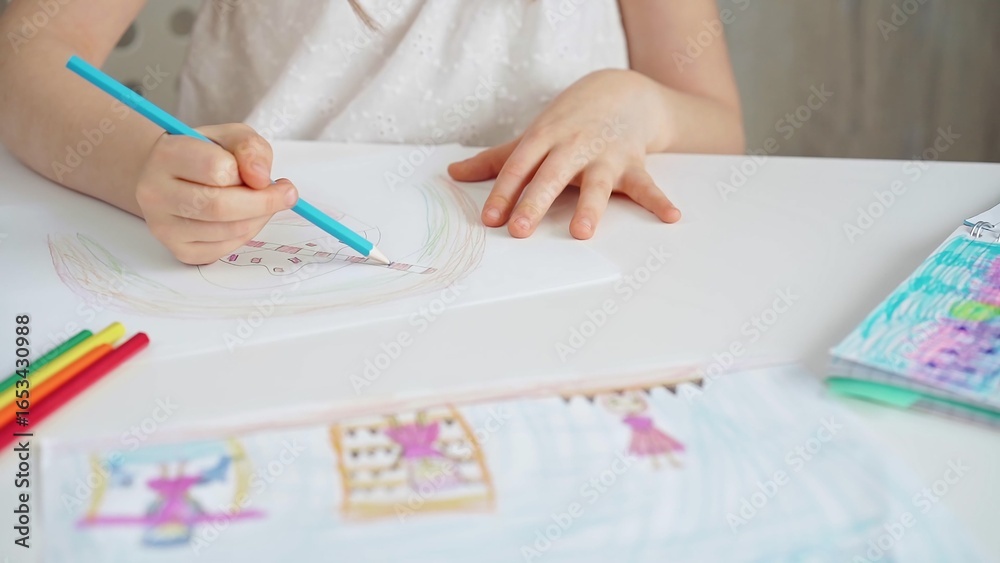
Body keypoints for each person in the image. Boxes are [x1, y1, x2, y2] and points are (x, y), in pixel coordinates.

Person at [0, 0, 744, 265]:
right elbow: (23, 57)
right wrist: (141, 165)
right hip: (257, 273)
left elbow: (718, 125)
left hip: (572, 296)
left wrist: (641, 105)